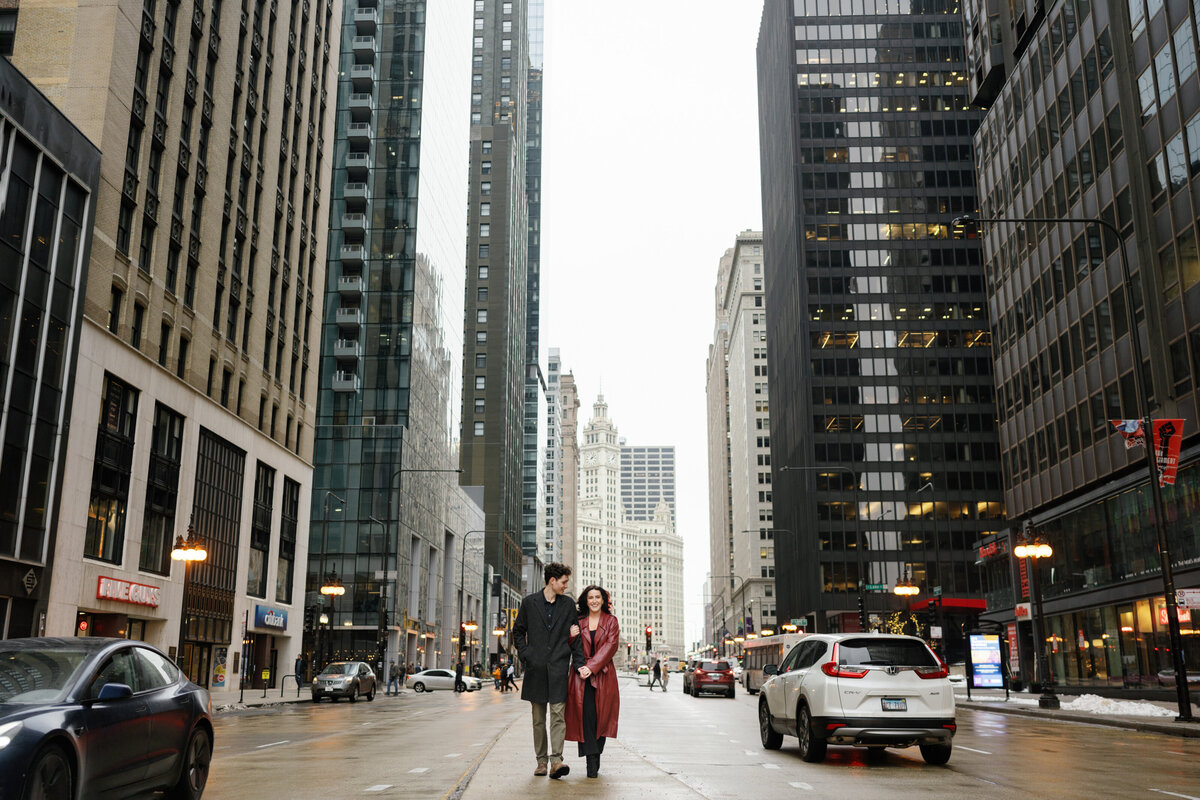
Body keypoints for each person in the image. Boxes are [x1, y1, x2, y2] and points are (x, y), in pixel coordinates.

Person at [512, 562, 585, 779]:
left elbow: (576, 638)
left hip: (559, 669)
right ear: (552, 581)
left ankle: (556, 761)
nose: (565, 586)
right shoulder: (529, 603)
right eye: (563, 582)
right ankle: (541, 762)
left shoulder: (568, 605)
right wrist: (526, 655)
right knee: (537, 718)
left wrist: (579, 664)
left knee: (557, 716)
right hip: (536, 669)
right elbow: (517, 631)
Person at [565, 585, 620, 779]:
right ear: (585, 601)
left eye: (598, 597)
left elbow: (610, 647)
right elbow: (573, 647)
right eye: (591, 597)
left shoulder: (612, 621)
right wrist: (571, 638)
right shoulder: (578, 622)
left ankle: (596, 754)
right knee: (586, 718)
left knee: (601, 718)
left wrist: (593, 666)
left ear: (603, 600)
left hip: (603, 675)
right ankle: (591, 761)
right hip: (581, 677)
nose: (595, 600)